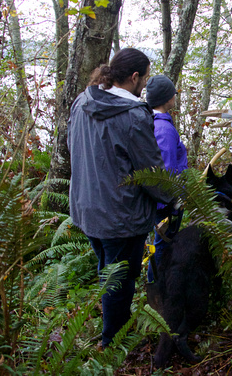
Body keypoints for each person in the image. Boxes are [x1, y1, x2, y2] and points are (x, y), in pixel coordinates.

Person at [67, 48, 172, 348]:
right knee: (119, 281)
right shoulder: (133, 116)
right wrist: (173, 198)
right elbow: (151, 172)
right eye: (145, 78)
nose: (145, 85)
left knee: (108, 271)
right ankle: (113, 342)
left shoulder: (83, 101)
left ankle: (113, 334)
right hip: (120, 215)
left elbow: (70, 144)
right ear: (135, 77)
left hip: (88, 208)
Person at [145, 75, 187, 283]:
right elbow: (166, 170)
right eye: (173, 93)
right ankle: (156, 287)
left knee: (159, 243)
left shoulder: (153, 122)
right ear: (166, 98)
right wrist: (173, 203)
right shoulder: (163, 129)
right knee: (162, 244)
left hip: (161, 201)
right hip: (166, 204)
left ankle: (156, 284)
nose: (175, 97)